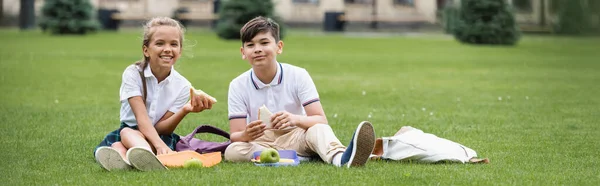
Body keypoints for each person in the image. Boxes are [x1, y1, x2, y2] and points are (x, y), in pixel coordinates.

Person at [225, 16, 375, 168]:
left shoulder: (298, 75)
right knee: (232, 150)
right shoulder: (237, 85)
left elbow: (320, 119)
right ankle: (297, 158)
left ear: (279, 47)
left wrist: (294, 119)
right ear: (243, 52)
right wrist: (246, 135)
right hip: (261, 141)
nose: (257, 49)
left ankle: (340, 159)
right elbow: (235, 135)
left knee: (319, 130)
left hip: (296, 135)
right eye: (250, 45)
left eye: (264, 43)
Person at [94, 17, 213, 171]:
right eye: (159, 43)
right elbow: (141, 118)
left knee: (119, 143)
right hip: (135, 130)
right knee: (126, 133)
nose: (168, 49)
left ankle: (129, 156)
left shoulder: (183, 86)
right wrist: (159, 146)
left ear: (180, 51)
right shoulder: (133, 74)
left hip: (158, 134)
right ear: (146, 50)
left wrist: (185, 110)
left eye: (174, 44)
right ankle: (144, 156)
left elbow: (162, 129)